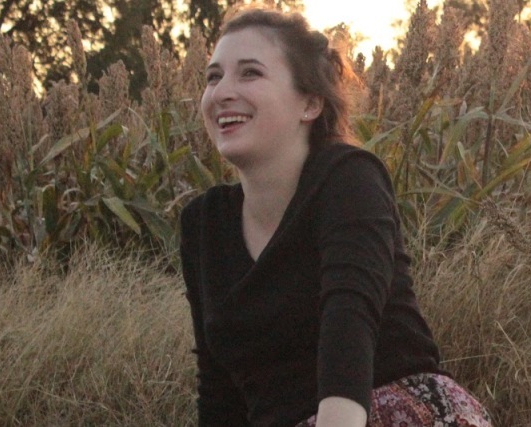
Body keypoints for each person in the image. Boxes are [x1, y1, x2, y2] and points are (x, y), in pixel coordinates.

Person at [178, 5, 491, 426]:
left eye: (249, 73)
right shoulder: (204, 223)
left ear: (310, 103)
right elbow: (219, 391)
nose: (221, 93)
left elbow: (349, 321)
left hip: (389, 411)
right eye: (213, 77)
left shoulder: (348, 178)